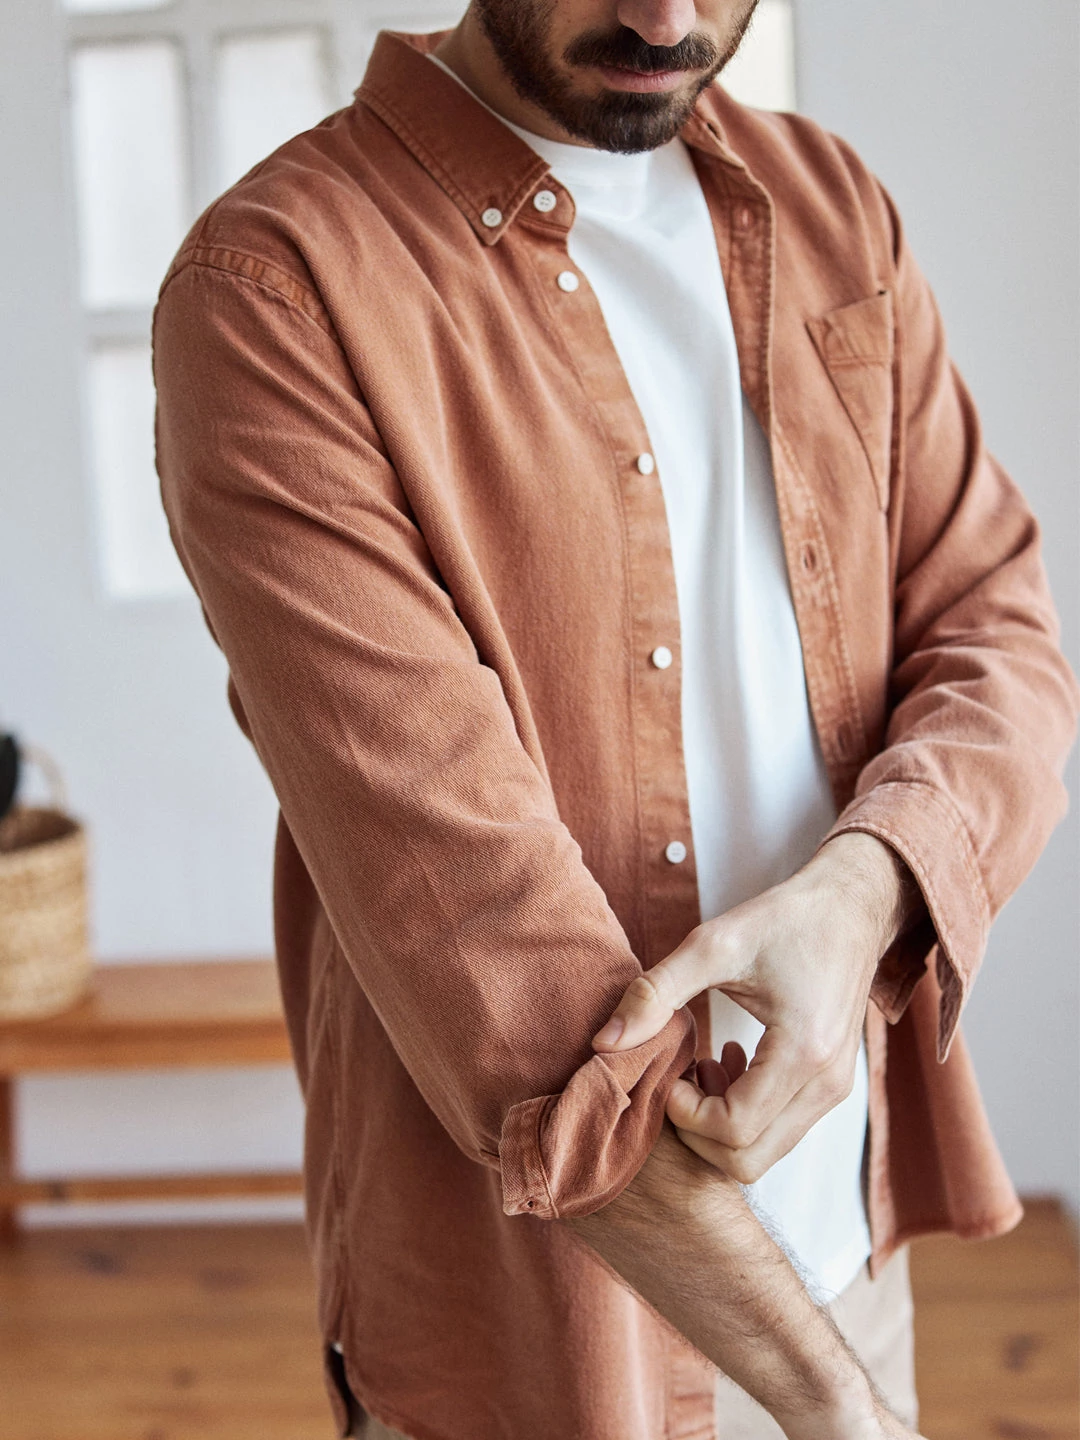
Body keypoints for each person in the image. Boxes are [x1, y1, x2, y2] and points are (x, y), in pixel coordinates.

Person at [151, 4, 1079, 1438]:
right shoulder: (275, 289)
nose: (666, 16)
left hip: (847, 1268)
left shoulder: (833, 212)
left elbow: (996, 622)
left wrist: (869, 885)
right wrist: (832, 1402)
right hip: (533, 1346)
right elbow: (476, 931)